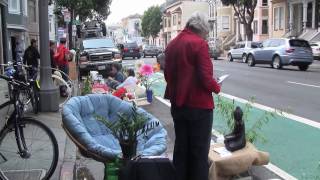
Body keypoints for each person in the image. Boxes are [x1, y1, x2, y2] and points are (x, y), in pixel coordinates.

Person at [164, 12, 221, 180]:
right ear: (201, 29)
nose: (206, 36)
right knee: (199, 153)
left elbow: (168, 75)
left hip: (178, 105)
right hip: (199, 106)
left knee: (181, 149)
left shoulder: (172, 44)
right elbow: (205, 77)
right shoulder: (199, 44)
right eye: (206, 33)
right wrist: (217, 86)